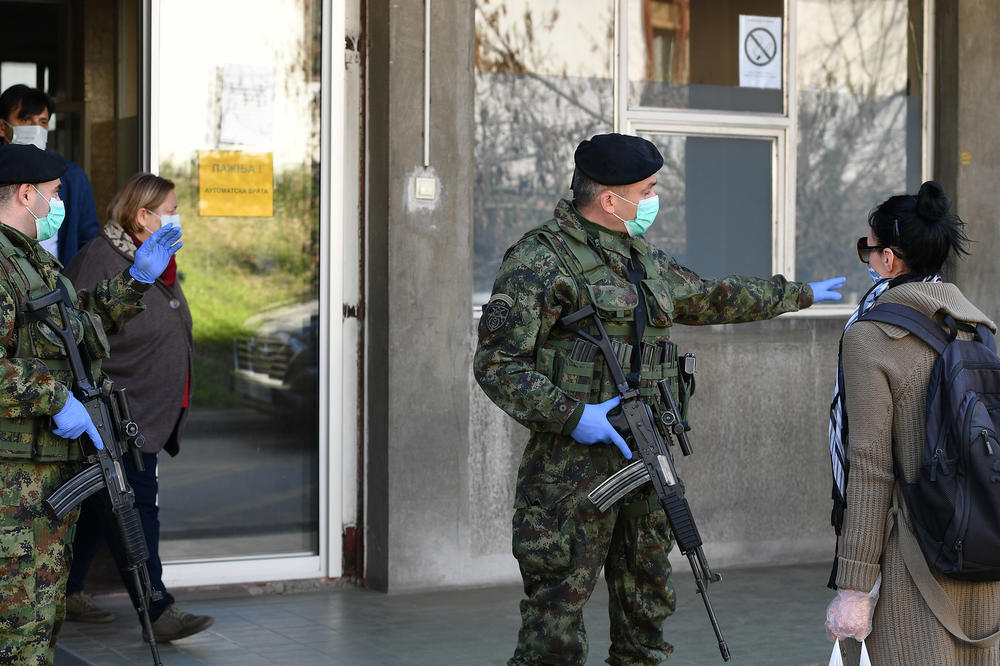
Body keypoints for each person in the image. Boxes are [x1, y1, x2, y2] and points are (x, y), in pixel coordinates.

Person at [473, 132, 846, 665]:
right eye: (646, 191)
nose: (653, 201)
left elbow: (711, 295)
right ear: (609, 199)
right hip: (570, 472)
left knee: (646, 612)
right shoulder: (540, 260)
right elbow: (496, 363)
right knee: (554, 627)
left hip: (647, 460)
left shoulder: (639, 258)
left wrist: (797, 293)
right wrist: (573, 415)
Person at [0, 144, 181, 664]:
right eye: (56, 194)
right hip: (15, 485)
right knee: (17, 631)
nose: (61, 203)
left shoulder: (34, 259)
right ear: (27, 193)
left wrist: (136, 280)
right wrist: (56, 398)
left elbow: (79, 325)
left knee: (41, 623)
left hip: (44, 479)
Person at [824, 181, 1000, 664]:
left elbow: (872, 468)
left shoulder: (872, 335)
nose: (867, 257)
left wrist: (855, 587)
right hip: (984, 539)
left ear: (890, 259)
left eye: (868, 247)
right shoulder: (978, 327)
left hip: (913, 556)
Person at [61, 173, 213, 642]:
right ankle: (158, 609)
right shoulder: (102, 259)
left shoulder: (153, 257)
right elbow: (76, 335)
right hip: (118, 412)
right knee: (136, 505)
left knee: (96, 505)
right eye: (169, 207)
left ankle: (66, 591)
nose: (176, 214)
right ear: (142, 215)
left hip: (148, 406)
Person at [0, 84, 99, 265]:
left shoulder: (70, 176)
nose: (36, 129)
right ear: (2, 126)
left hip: (55, 286)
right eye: (26, 120)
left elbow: (88, 243)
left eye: (43, 122)